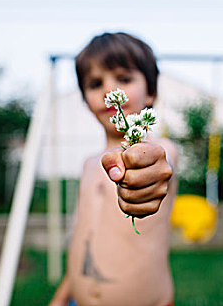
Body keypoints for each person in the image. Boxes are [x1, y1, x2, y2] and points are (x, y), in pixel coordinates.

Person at [48, 32, 178, 306]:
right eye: (95, 84)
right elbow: (84, 240)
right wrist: (61, 297)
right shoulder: (87, 165)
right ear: (85, 100)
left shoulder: (161, 150)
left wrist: (146, 174)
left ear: (151, 91)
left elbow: (159, 165)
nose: (109, 91)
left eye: (124, 79)